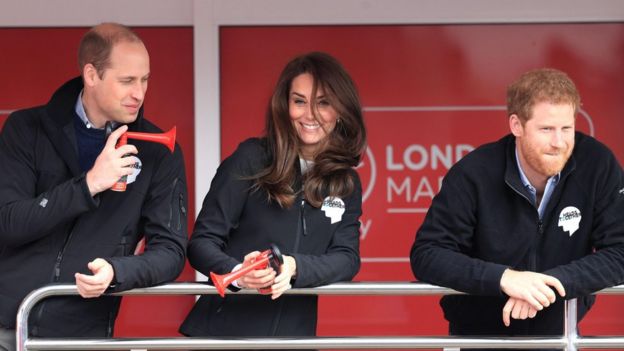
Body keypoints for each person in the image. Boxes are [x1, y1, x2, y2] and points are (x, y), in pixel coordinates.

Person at [0, 23, 188, 348]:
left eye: (145, 79)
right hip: (5, 328)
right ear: (91, 75)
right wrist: (88, 185)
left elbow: (170, 252)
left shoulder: (158, 151)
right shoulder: (25, 129)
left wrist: (118, 272)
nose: (139, 93)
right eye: (127, 80)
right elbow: (8, 223)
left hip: (83, 337)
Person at [410, 68, 624, 342]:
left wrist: (548, 284)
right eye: (546, 129)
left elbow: (620, 250)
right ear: (516, 125)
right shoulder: (474, 173)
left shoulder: (596, 164)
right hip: (476, 342)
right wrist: (505, 279)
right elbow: (428, 254)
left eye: (567, 128)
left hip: (560, 338)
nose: (559, 142)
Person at [180, 52, 366, 341]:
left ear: (341, 110)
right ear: (284, 105)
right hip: (220, 339)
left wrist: (294, 266)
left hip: (293, 341)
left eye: (324, 103)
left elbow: (347, 259)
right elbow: (201, 243)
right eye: (299, 101)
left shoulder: (346, 183)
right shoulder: (252, 157)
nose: (310, 115)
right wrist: (237, 273)